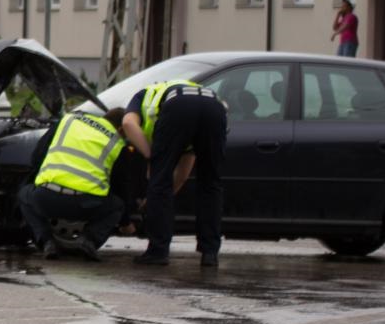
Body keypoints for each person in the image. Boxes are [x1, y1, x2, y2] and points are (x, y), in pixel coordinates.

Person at [122, 80, 229, 267]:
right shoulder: (189, 91)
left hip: (178, 106)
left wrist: (151, 156)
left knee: (160, 179)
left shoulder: (142, 95)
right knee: (210, 182)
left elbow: (128, 123)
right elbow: (182, 174)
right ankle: (210, 253)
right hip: (215, 107)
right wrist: (162, 197)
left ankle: (158, 252)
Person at [19, 108, 132, 261]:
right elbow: (121, 187)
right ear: (120, 128)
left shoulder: (69, 120)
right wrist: (126, 222)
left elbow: (38, 155)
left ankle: (46, 241)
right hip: (86, 205)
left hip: (46, 198)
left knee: (24, 194)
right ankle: (89, 241)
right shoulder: (117, 143)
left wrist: (37, 180)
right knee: (117, 205)